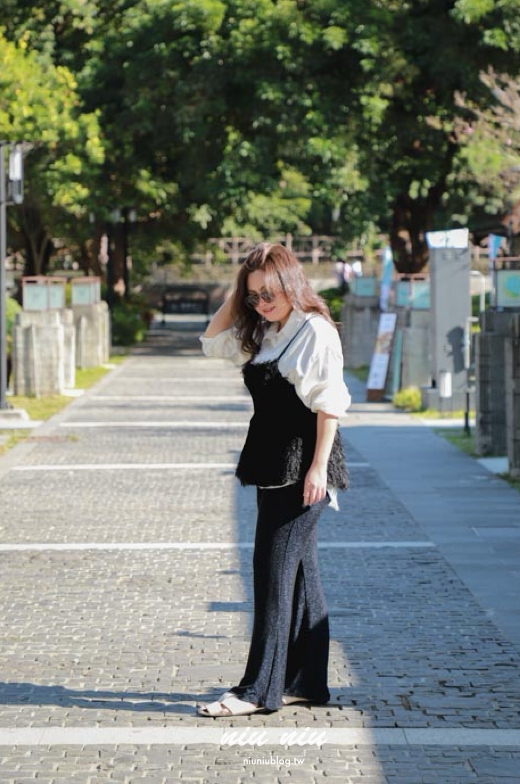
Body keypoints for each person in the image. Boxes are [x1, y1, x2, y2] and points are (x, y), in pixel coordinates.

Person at [197, 242, 351, 717]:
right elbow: (212, 341)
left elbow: (330, 405)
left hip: (303, 466)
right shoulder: (268, 329)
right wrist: (240, 287)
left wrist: (319, 469)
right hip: (272, 464)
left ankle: (256, 691)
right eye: (254, 296)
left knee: (272, 574)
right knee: (300, 575)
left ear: (292, 285)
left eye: (270, 293)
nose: (262, 303)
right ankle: (306, 683)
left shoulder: (314, 332)